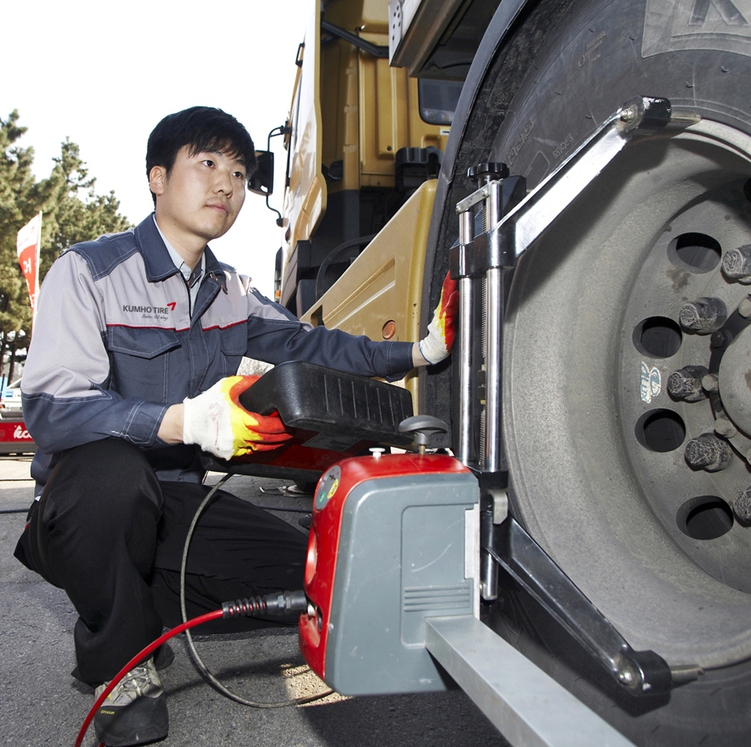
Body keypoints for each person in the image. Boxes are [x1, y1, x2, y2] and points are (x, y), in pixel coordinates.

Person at [13, 106, 458, 747]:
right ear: (157, 178)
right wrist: (180, 420)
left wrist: (417, 353)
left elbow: (315, 346)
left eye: (242, 173)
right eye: (208, 163)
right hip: (87, 504)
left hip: (177, 501)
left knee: (309, 572)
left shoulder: (231, 291)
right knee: (114, 475)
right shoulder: (88, 272)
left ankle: (134, 615)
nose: (228, 185)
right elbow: (54, 412)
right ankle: (118, 664)